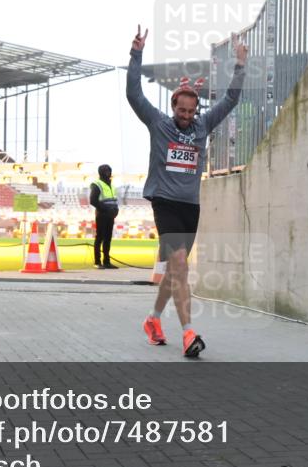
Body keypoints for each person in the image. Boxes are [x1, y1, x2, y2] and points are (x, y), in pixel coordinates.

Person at [126, 25, 247, 357]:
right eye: (181, 111)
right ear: (173, 105)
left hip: (190, 206)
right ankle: (188, 333)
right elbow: (135, 95)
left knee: (174, 271)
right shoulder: (158, 123)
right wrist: (136, 54)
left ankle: (152, 320)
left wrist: (239, 65)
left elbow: (231, 98)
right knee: (180, 264)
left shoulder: (202, 126)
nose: (186, 116)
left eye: (191, 112)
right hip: (164, 202)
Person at [89, 164, 119, 269]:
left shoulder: (111, 185)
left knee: (108, 238)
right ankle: (97, 262)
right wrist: (106, 209)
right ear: (101, 172)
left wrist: (116, 210)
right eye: (106, 171)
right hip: (102, 214)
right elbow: (93, 201)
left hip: (110, 215)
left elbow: (113, 199)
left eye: (109, 171)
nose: (108, 173)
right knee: (100, 237)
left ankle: (107, 261)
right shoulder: (97, 184)